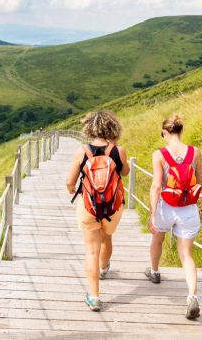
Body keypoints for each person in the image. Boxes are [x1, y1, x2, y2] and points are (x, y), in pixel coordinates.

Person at [66, 110, 129, 312]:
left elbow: (69, 182)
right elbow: (125, 172)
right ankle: (104, 268)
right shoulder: (119, 151)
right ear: (112, 127)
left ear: (90, 128)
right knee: (107, 237)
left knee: (91, 251)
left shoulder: (82, 152)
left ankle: (94, 297)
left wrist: (73, 190)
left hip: (89, 205)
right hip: (112, 206)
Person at [145, 114, 202, 320]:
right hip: (188, 208)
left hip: (166, 207)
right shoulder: (195, 152)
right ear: (181, 131)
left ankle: (154, 271)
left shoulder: (159, 154)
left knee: (157, 238)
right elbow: (199, 182)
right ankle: (192, 296)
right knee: (186, 254)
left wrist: (152, 214)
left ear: (165, 133)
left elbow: (156, 186)